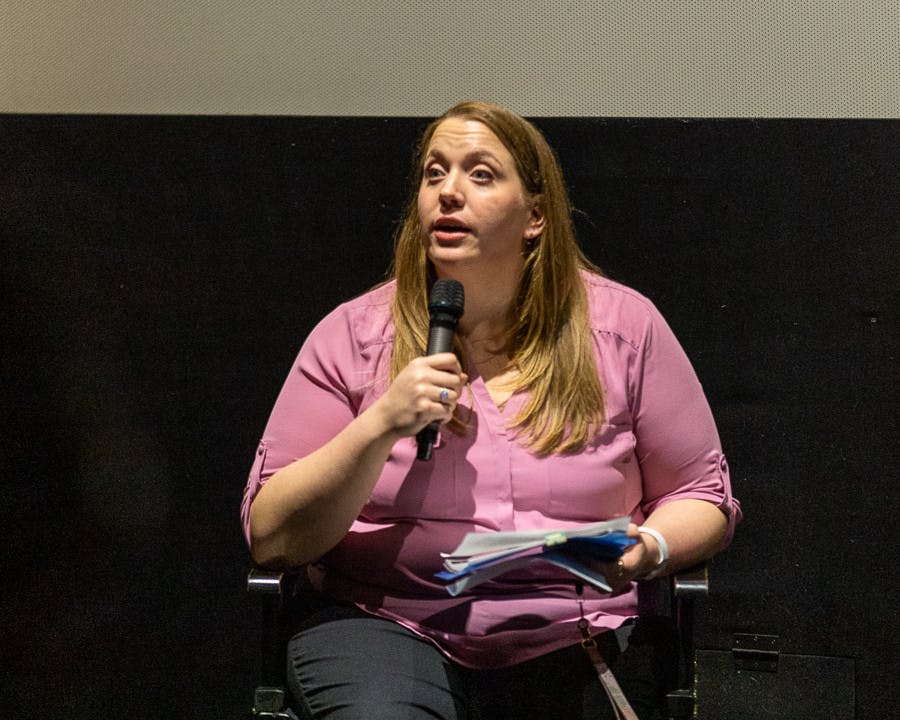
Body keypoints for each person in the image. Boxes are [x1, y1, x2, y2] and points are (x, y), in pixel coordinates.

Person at [241, 101, 742, 719]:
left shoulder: (622, 331)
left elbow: (704, 496)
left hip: (573, 627)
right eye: (434, 173)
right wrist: (380, 425)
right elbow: (272, 537)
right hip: (388, 625)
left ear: (534, 215)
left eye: (480, 174)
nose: (448, 192)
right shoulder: (354, 336)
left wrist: (652, 549)